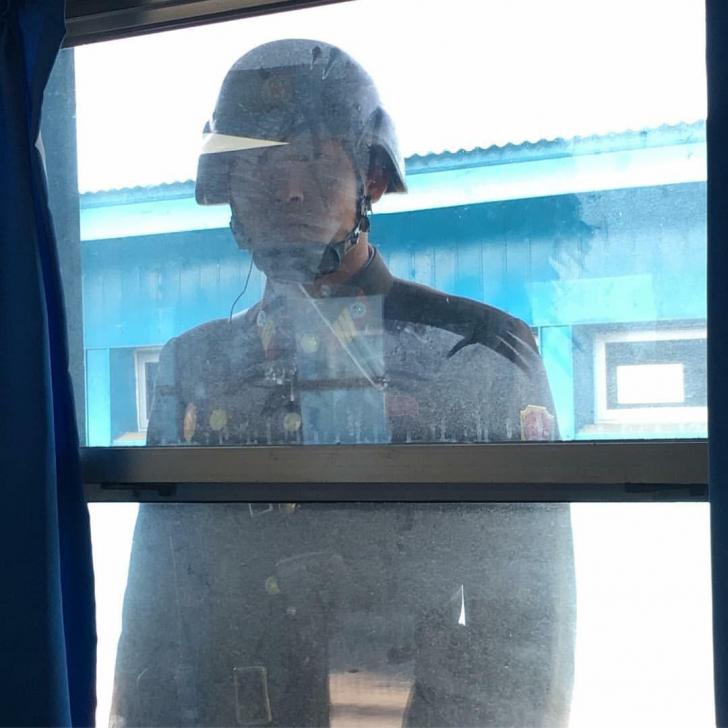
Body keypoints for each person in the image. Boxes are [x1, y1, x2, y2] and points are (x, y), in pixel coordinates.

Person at [111, 39, 575, 727]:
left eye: (314, 156)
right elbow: (155, 614)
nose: (287, 186)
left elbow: (527, 637)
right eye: (258, 163)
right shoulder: (193, 366)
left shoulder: (476, 353)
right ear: (226, 188)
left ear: (372, 180)